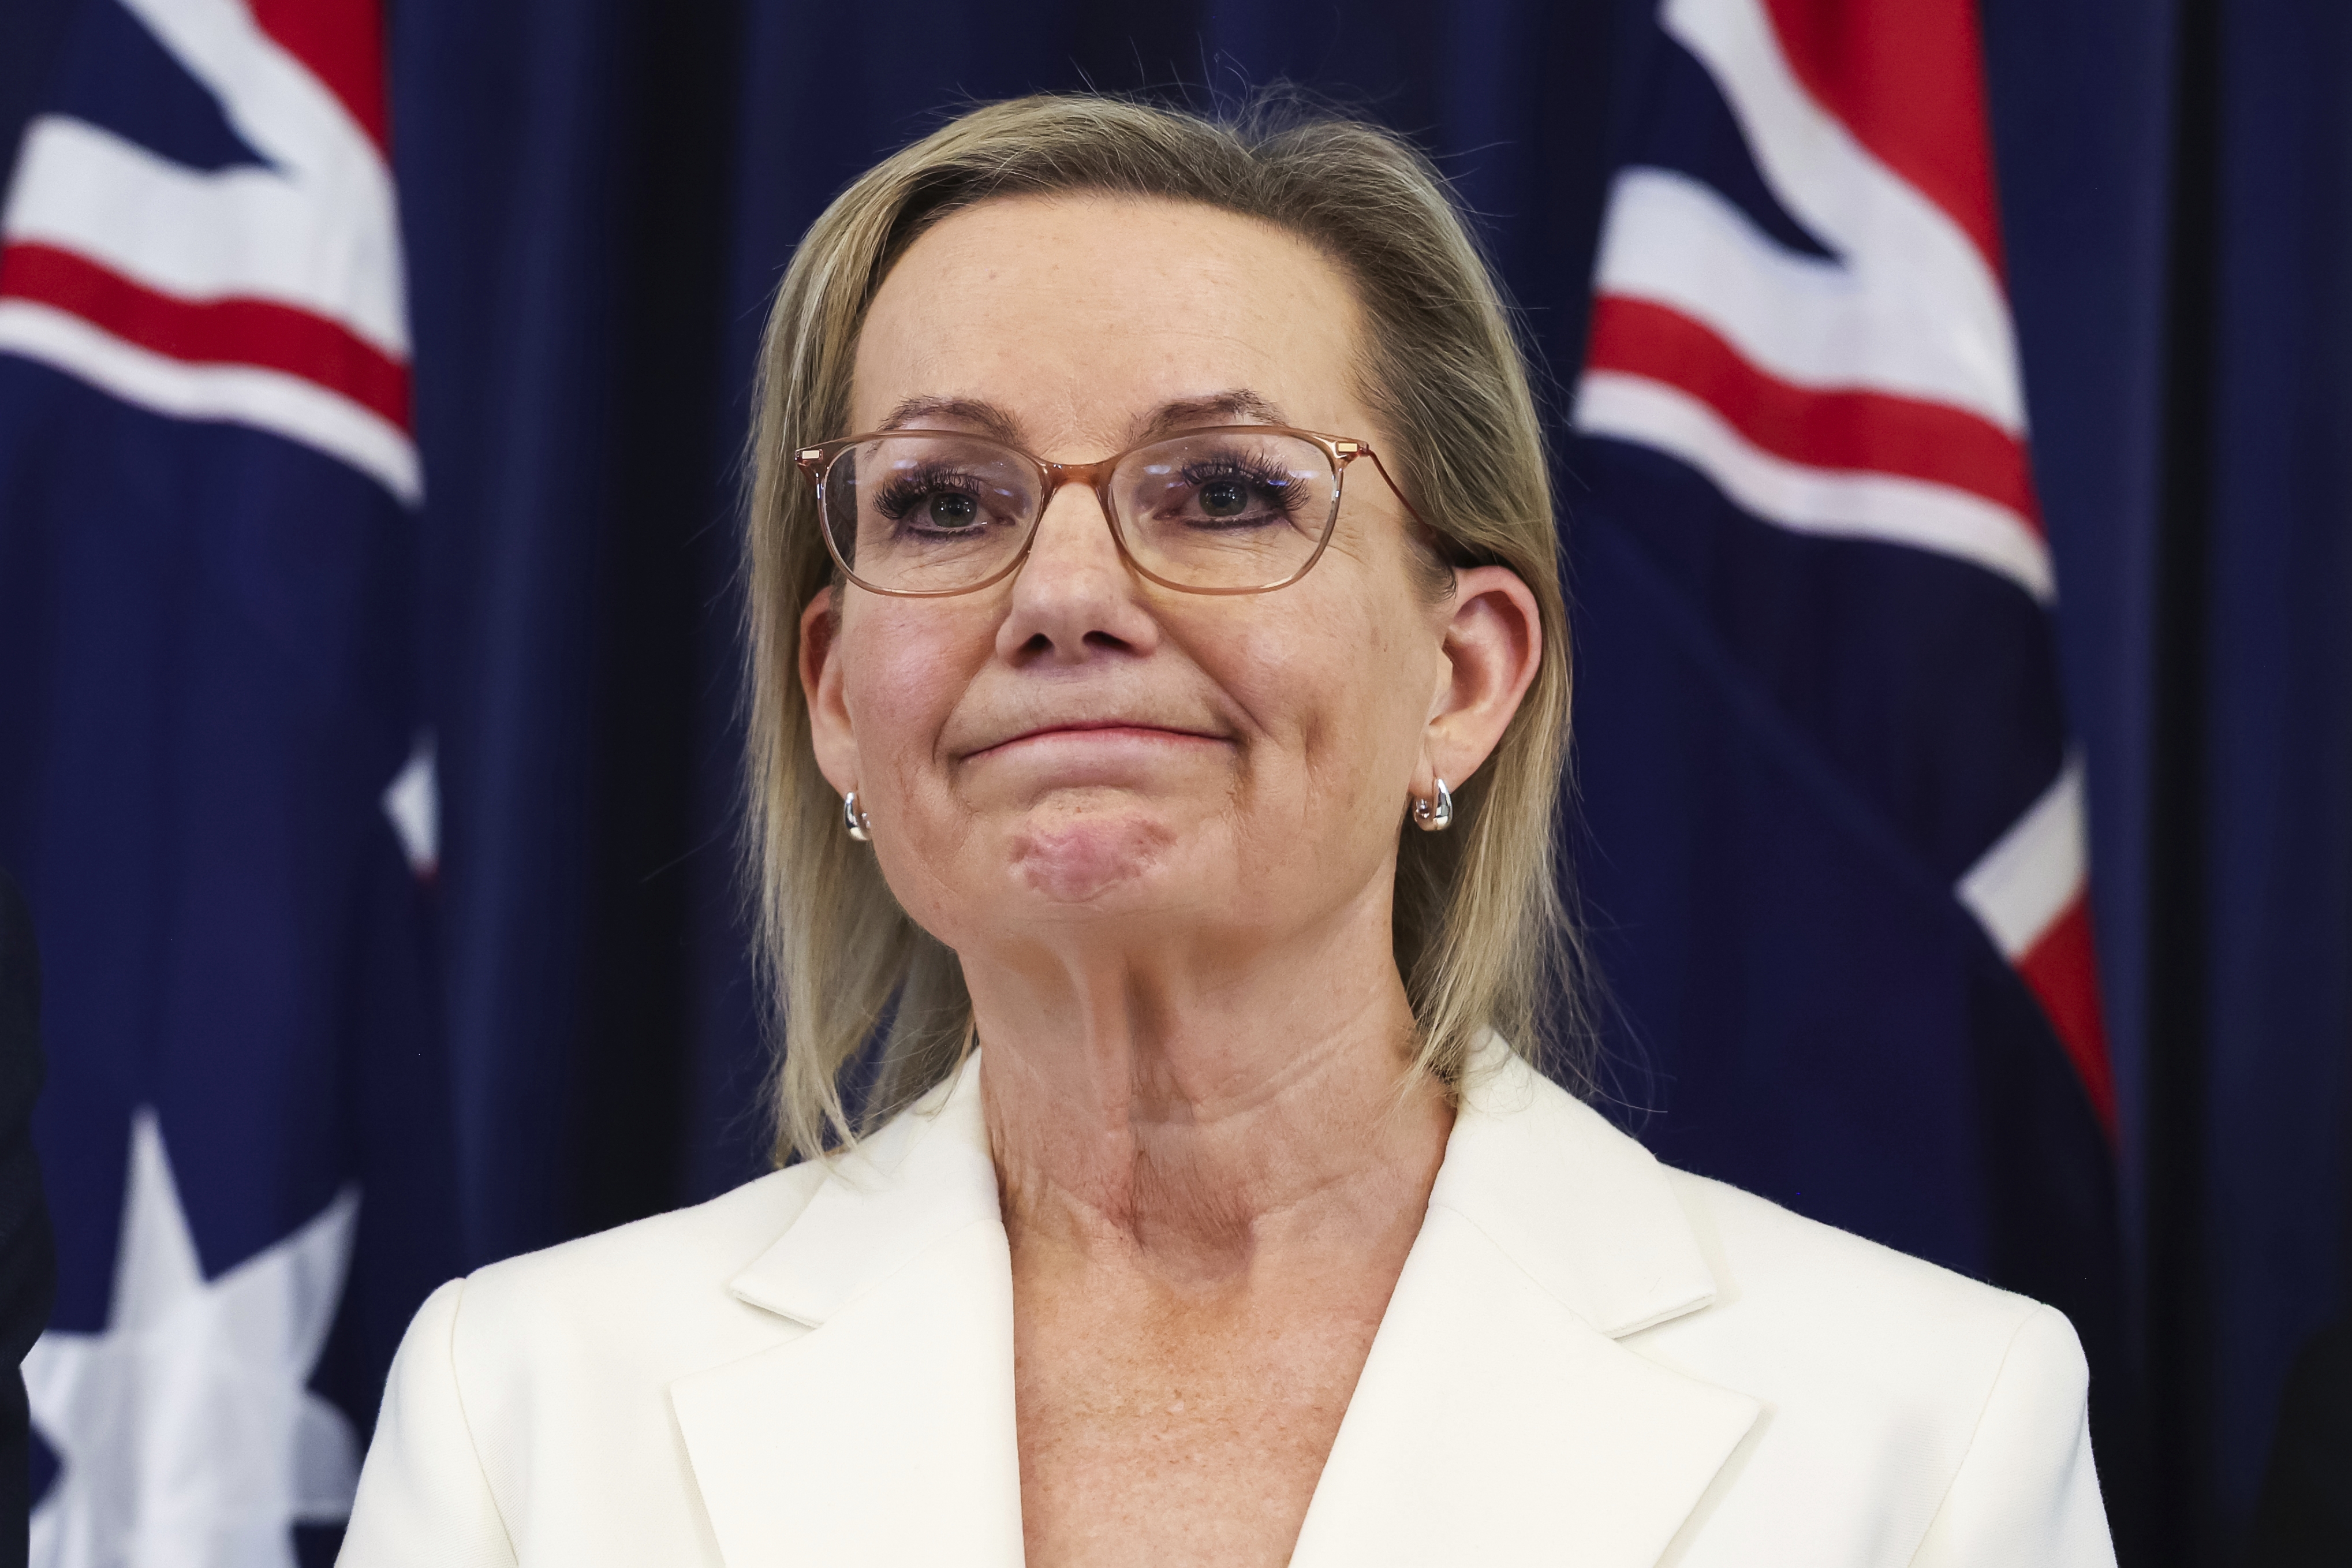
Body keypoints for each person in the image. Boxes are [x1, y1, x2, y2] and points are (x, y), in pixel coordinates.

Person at [339, 94, 2115, 1567]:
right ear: (833, 695)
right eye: (945, 500)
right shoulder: (523, 1407)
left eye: (1224, 491)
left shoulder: (1925, 1427)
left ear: (1465, 671)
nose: (1060, 595)